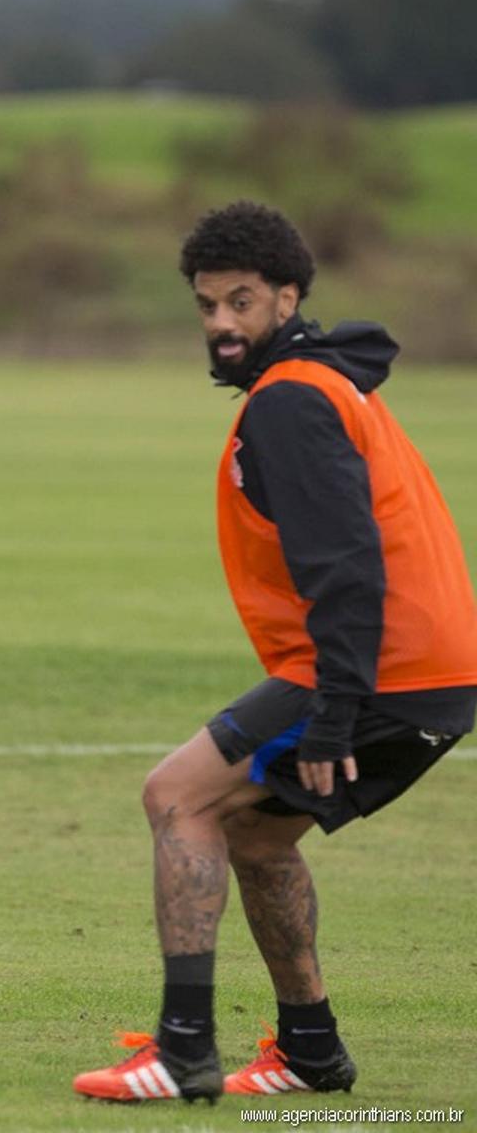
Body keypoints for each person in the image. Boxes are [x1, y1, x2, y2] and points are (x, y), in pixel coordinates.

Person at [74, 201, 476, 1102]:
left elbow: (348, 570)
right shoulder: (322, 379)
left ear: (287, 298)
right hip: (427, 672)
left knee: (177, 796)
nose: (221, 323)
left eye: (242, 302)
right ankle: (310, 1053)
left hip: (380, 670)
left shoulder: (292, 399)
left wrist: (333, 717)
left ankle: (182, 1053)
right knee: (255, 833)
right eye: (208, 305)